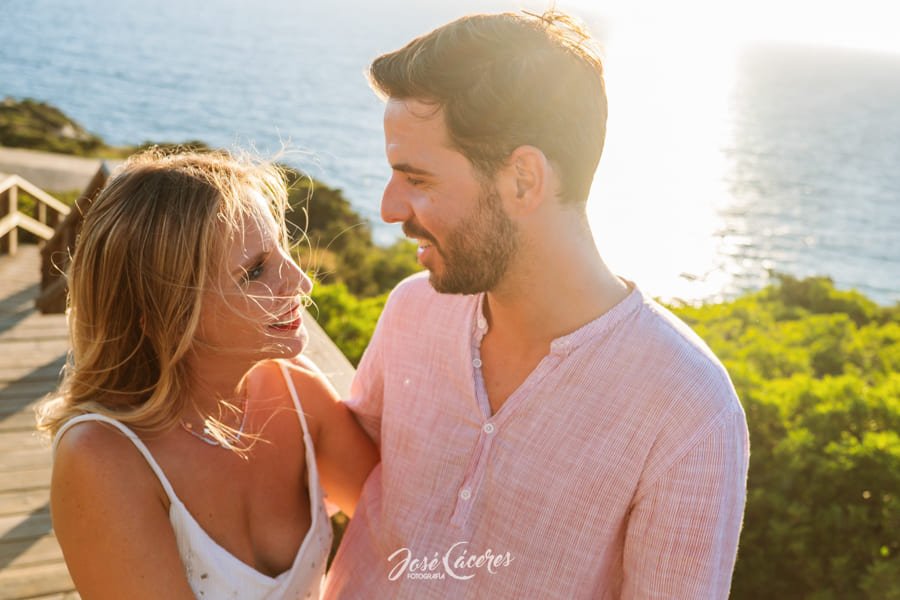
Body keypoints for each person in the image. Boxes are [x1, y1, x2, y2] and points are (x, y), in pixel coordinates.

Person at [324, 10, 749, 599]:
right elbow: (357, 475)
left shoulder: (687, 408)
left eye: (417, 178)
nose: (390, 209)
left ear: (523, 180)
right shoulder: (410, 310)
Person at [37, 149, 378, 599]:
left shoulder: (295, 387)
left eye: (283, 250)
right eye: (255, 271)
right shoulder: (103, 457)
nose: (300, 281)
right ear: (166, 313)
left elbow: (399, 520)